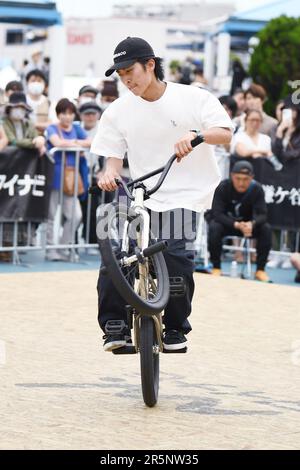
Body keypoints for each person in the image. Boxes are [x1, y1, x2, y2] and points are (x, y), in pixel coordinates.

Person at [90, 36, 233, 352]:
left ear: (150, 65)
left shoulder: (192, 97)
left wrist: (196, 137)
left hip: (183, 194)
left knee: (176, 259)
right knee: (115, 255)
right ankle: (115, 326)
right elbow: (112, 159)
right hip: (140, 193)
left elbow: (225, 133)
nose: (127, 79)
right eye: (121, 74)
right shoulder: (117, 111)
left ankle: (175, 328)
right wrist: (109, 174)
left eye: (131, 71)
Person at [208, 160, 272, 282]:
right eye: (238, 178)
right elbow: (217, 214)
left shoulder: (257, 189)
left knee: (266, 229)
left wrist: (251, 224)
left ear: (252, 177)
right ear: (232, 176)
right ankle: (216, 267)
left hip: (248, 227)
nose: (241, 183)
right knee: (214, 227)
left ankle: (260, 270)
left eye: (245, 179)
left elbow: (263, 215)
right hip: (228, 224)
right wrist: (236, 224)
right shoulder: (222, 187)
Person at [45, 98, 92, 261]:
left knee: (75, 215)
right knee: (51, 215)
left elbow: (90, 142)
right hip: (54, 177)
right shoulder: (52, 128)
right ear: (58, 114)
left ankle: (62, 248)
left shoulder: (77, 128)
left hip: (72, 178)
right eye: (64, 113)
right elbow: (56, 142)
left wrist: (72, 143)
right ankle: (50, 250)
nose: (68, 116)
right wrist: (76, 145)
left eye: (71, 113)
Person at [78, 101, 103, 246]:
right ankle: (73, 242)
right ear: (81, 115)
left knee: (93, 210)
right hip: (79, 174)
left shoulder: (103, 128)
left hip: (97, 176)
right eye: (87, 114)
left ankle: (92, 241)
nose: (90, 117)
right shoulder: (76, 127)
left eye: (93, 114)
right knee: (79, 210)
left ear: (98, 115)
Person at [271, 97, 300, 163]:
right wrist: (279, 132)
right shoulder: (276, 128)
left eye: (291, 109)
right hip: (280, 168)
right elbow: (274, 151)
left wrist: (281, 155)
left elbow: (297, 153)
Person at [25, 69, 51, 134]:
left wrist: (34, 125)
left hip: (43, 138)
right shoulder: (22, 101)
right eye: (33, 81)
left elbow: (51, 124)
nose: (36, 83)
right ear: (27, 83)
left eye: (39, 81)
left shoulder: (49, 102)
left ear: (44, 84)